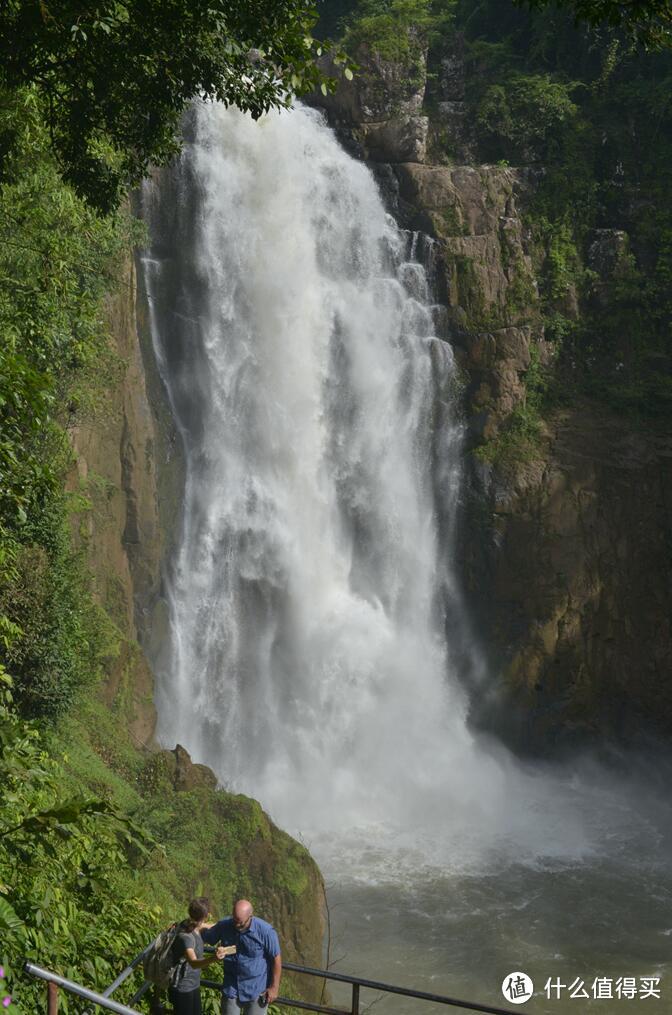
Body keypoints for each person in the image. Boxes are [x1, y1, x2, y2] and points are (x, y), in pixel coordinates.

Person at [202, 899, 282, 1015]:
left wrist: (274, 987)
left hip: (256, 989)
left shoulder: (265, 932)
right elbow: (208, 937)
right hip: (231, 987)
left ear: (251, 916)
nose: (236, 925)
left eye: (240, 922)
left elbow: (276, 959)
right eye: (234, 920)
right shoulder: (225, 925)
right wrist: (192, 926)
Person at [169, 897, 228, 1015]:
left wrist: (227, 925)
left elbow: (205, 925)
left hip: (193, 985)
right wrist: (214, 958)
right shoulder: (186, 937)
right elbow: (193, 962)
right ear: (205, 916)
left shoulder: (188, 923)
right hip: (183, 987)